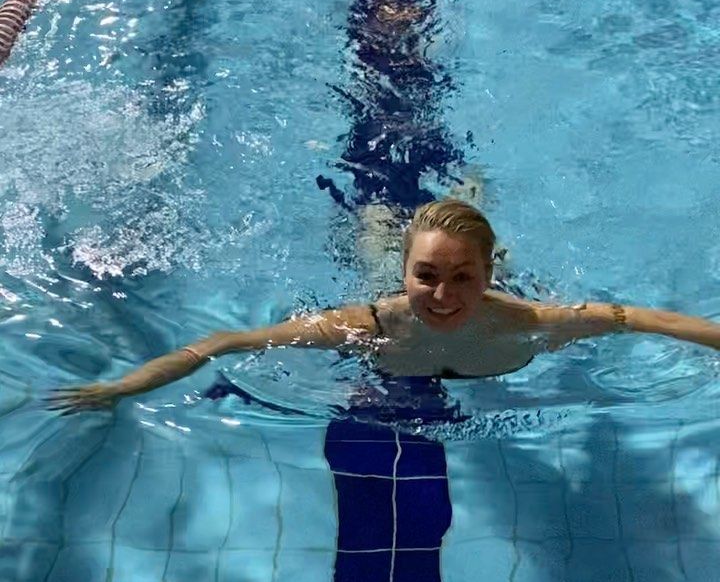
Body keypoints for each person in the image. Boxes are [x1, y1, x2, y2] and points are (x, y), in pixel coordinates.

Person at [47, 199, 720, 414]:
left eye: (464, 278)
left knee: (460, 208)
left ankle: (466, 198)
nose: (443, 296)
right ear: (405, 276)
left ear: (489, 275)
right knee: (372, 224)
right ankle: (386, 227)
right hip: (385, 298)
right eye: (426, 276)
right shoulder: (362, 326)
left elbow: (640, 318)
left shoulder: (533, 324)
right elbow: (223, 343)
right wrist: (121, 388)